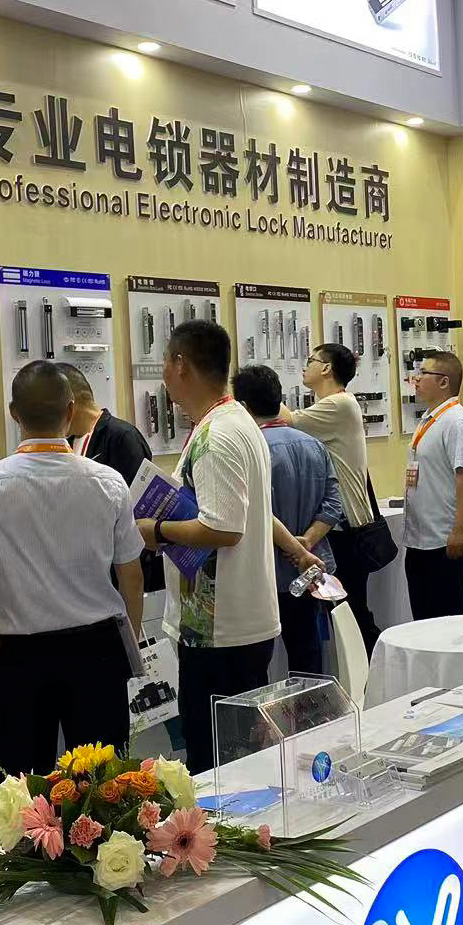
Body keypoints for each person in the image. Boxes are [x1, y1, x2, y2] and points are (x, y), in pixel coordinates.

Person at [0, 362, 145, 777]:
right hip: (97, 653)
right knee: (103, 790)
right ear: (71, 410)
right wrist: (130, 639)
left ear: (14, 414)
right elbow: (131, 574)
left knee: (22, 792)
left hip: (22, 659)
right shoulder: (108, 482)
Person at [138, 320, 280, 773]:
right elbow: (251, 512)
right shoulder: (233, 422)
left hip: (220, 633)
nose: (163, 372)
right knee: (236, 759)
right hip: (234, 624)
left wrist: (158, 530)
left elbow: (225, 529)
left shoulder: (217, 435)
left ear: (181, 365)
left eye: (165, 361)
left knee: (217, 765)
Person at [234, 364, 344, 676]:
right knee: (309, 656)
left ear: (243, 406)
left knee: (258, 665)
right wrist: (307, 541)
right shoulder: (313, 445)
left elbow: (251, 510)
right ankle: (313, 707)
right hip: (310, 567)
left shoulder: (251, 450)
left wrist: (294, 546)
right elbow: (333, 504)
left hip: (265, 571)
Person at [283, 342, 385, 653]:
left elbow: (287, 419)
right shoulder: (335, 406)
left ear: (326, 368)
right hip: (339, 529)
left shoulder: (339, 404)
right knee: (345, 614)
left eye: (311, 360)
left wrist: (260, 395)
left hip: (346, 532)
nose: (305, 366)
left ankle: (375, 670)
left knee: (351, 615)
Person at [56, 362, 163, 591]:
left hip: (121, 570)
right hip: (85, 571)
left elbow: (139, 509)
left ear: (70, 403)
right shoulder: (69, 442)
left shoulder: (122, 437)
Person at [402, 350, 463, 621]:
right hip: (420, 541)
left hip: (446, 542)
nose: (416, 379)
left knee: (449, 622)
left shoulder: (457, 422)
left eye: (424, 373)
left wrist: (458, 530)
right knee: (424, 621)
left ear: (444, 382)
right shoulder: (430, 419)